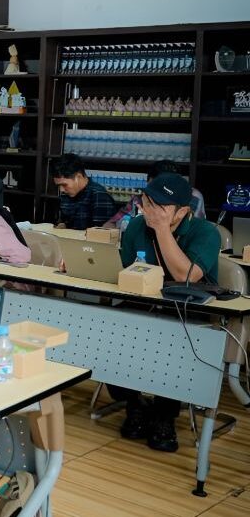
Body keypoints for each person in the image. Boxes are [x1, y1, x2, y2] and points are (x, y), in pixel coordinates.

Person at [111, 172, 220, 453]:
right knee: (109, 328)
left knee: (173, 340)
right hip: (144, 306)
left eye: (160, 207)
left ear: (182, 211)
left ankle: (164, 415)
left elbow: (186, 276)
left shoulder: (206, 232)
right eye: (147, 202)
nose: (150, 211)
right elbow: (122, 273)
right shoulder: (136, 226)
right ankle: (134, 405)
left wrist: (161, 230)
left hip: (188, 313)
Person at [104, 160, 207, 227]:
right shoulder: (141, 197)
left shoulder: (192, 196)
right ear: (148, 181)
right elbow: (112, 223)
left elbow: (186, 227)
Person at [51, 153, 117, 230]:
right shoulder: (66, 195)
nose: (61, 190)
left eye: (64, 185)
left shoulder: (99, 196)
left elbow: (102, 235)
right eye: (58, 186)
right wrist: (62, 225)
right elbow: (64, 221)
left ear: (78, 177)